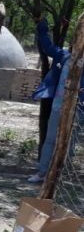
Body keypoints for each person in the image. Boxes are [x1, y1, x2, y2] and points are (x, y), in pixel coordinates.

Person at [26, 17, 84, 184]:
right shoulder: (64, 56)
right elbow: (47, 46)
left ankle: (60, 176)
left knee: (69, 145)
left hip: (77, 110)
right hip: (58, 107)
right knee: (50, 140)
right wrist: (42, 26)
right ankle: (43, 172)